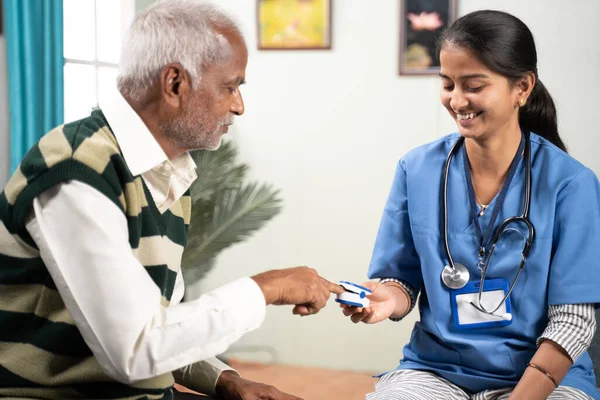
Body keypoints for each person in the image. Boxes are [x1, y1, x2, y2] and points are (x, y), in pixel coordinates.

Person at [0, 0, 342, 399]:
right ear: (175, 83)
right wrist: (268, 288)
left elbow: (160, 327)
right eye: (230, 86)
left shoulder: (163, 174)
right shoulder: (78, 171)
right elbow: (136, 350)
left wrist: (226, 381)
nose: (238, 105)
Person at [341, 10, 600, 400]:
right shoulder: (417, 169)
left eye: (474, 86)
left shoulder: (570, 184)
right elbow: (401, 278)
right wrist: (386, 299)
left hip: (542, 378)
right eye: (447, 84)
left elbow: (575, 321)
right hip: (436, 370)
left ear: (523, 88)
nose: (457, 100)